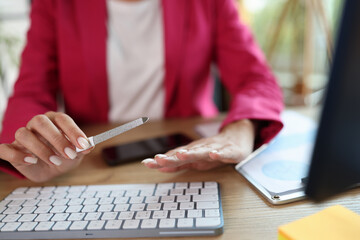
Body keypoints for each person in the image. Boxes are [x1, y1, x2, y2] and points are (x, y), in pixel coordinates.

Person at [0, 0, 283, 182]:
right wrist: (33, 147)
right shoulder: (55, 4)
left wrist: (242, 128)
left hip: (194, 163)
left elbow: (256, 78)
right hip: (90, 168)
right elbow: (30, 91)